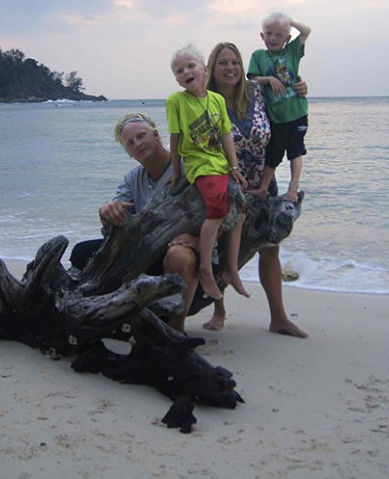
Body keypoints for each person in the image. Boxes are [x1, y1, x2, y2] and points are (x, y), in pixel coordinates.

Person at [203, 41, 309, 338]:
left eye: (235, 61)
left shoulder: (258, 93)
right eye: (223, 62)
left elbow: (288, 102)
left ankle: (279, 318)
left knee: (270, 248)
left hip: (263, 180)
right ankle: (219, 310)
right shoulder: (206, 100)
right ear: (213, 68)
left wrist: (300, 88)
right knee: (224, 250)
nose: (230, 68)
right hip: (228, 184)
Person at [68, 112, 202, 332]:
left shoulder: (186, 167)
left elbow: (218, 209)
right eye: (130, 143)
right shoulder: (133, 178)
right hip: (146, 252)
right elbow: (117, 218)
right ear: (128, 153)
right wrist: (108, 212)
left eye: (141, 136)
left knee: (179, 253)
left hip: (185, 252)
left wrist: (197, 240)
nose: (137, 143)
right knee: (82, 252)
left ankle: (176, 326)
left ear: (157, 135)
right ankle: (104, 311)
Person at [166, 44, 249, 302]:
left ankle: (231, 268)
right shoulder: (176, 101)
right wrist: (177, 172)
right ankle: (204, 268)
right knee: (217, 209)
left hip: (220, 163)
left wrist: (234, 167)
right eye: (180, 71)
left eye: (191, 66)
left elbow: (226, 135)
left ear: (204, 70)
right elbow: (175, 138)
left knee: (241, 210)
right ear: (177, 79)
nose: (186, 72)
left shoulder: (217, 100)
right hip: (199, 163)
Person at [247, 12, 312, 202]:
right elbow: (252, 78)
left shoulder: (291, 52)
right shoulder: (258, 55)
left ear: (287, 38)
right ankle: (263, 189)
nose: (273, 38)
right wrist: (268, 79)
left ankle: (293, 189)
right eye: (269, 33)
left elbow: (307, 31)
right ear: (262, 36)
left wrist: (289, 21)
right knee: (273, 153)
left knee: (296, 150)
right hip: (275, 116)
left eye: (279, 34)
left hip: (297, 112)